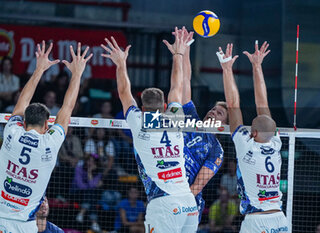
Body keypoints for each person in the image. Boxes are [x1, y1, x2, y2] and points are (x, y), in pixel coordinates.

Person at [101, 28, 198, 232]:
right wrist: (178, 55)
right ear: (164, 107)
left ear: (143, 108)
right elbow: (176, 88)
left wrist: (121, 63)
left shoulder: (139, 121)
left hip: (164, 203)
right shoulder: (174, 117)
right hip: (188, 201)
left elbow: (123, 92)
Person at [0, 41, 92, 232]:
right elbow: (66, 109)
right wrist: (76, 75)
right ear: (46, 125)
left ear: (24, 123)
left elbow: (21, 102)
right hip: (25, 225)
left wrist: (38, 69)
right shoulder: (49, 144)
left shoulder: (12, 133)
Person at [220, 41, 288, 233]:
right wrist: (257, 66)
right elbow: (263, 103)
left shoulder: (246, 145)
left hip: (257, 221)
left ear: (254, 133)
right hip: (279, 219)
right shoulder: (275, 143)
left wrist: (227, 69)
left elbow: (233, 105)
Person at [179, 27, 225, 222]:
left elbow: (199, 185)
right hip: (168, 193)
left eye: (220, 112)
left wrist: (179, 203)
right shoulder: (191, 118)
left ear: (224, 125)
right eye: (214, 108)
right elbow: (185, 82)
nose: (213, 111)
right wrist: (187, 48)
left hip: (189, 203)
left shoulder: (217, 150)